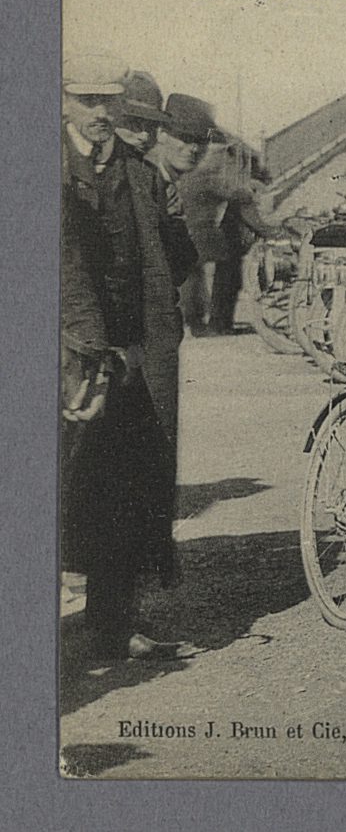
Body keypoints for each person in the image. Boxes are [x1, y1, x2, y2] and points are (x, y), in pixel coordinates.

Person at [61, 54, 198, 660]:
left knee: (121, 490)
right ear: (62, 102)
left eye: (107, 104)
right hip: (61, 351)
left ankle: (112, 628)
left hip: (127, 357)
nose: (99, 115)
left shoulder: (140, 177)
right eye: (86, 102)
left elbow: (175, 260)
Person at [147, 94, 225, 335]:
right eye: (185, 138)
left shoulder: (170, 183)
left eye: (201, 141)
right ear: (162, 135)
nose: (194, 148)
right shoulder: (147, 182)